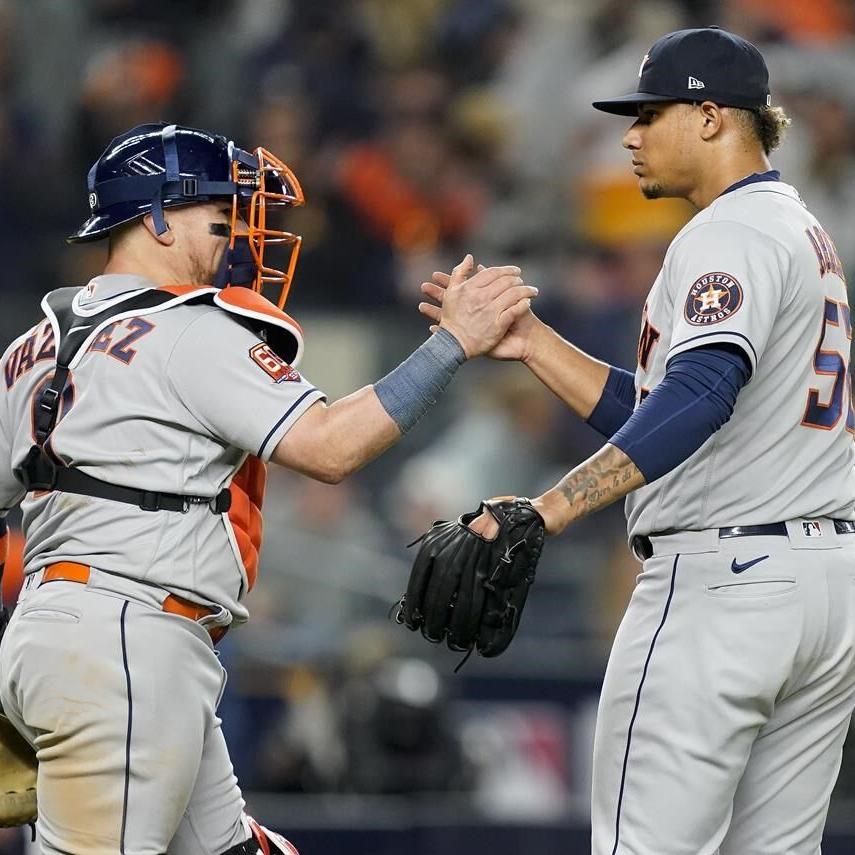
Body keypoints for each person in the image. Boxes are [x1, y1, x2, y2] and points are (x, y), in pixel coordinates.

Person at [0, 122, 536, 854]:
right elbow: (330, 447)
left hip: (57, 634)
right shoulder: (186, 328)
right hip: (128, 645)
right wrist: (451, 345)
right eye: (219, 216)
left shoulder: (30, 347)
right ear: (156, 217)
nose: (235, 238)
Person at [421, 26, 855, 854]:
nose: (627, 134)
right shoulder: (798, 230)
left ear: (708, 117)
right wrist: (536, 343)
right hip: (819, 588)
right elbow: (679, 410)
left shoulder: (727, 234)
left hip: (723, 590)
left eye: (649, 114)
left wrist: (547, 509)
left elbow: (697, 395)